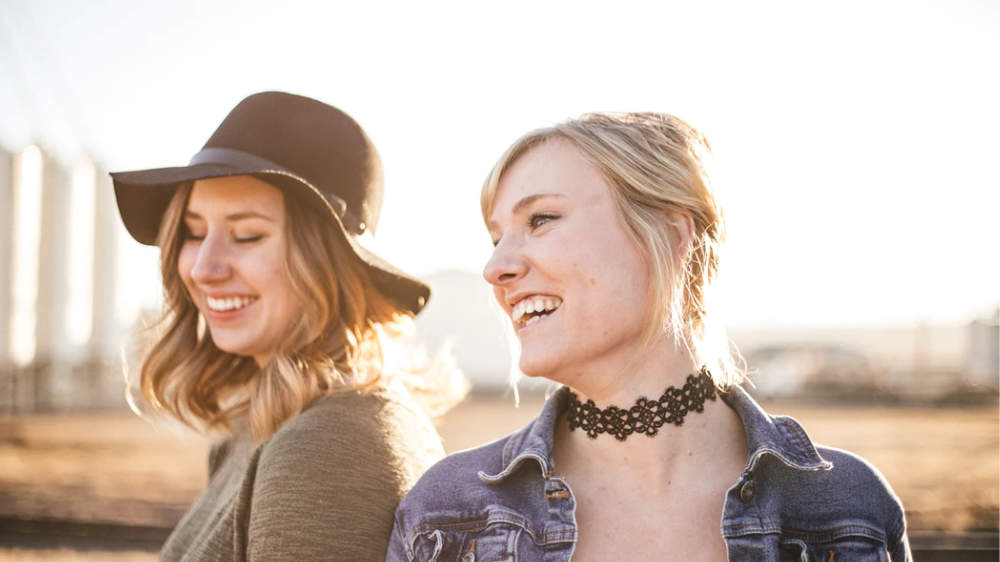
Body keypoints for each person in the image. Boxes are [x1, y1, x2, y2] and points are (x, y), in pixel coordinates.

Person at [388, 113, 910, 561]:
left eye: (541, 219)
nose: (495, 267)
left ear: (671, 235)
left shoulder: (848, 507)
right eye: (497, 238)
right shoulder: (445, 514)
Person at [111, 91, 462, 560]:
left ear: (329, 263)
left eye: (247, 235)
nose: (202, 268)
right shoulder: (265, 428)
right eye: (193, 233)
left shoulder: (326, 450)